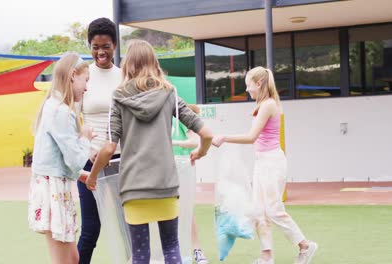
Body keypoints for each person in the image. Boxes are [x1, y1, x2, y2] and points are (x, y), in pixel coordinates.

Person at [85, 39, 213, 264]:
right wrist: (201, 151)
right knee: (172, 248)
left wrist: (93, 176)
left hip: (134, 187)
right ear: (153, 62)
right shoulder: (169, 93)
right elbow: (207, 134)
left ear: (127, 65)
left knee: (140, 255)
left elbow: (109, 147)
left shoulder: (119, 96)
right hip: (165, 184)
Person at [212, 66, 318, 264]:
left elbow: (251, 137)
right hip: (263, 162)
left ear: (258, 83)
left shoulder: (268, 104)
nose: (247, 90)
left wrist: (225, 137)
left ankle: (305, 245)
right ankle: (266, 255)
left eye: (248, 85)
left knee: (273, 210)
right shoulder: (264, 104)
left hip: (271, 163)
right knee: (258, 211)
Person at [28, 52, 95, 264]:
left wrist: (83, 175)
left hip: (55, 186)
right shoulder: (60, 111)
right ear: (73, 75)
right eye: (86, 80)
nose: (86, 87)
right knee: (63, 260)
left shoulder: (56, 107)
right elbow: (74, 158)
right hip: (53, 189)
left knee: (73, 258)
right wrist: (84, 138)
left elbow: (61, 159)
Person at [76, 17, 122, 264]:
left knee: (130, 224)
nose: (100, 52)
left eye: (106, 46)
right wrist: (86, 146)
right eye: (95, 46)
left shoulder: (124, 76)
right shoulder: (83, 76)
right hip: (88, 162)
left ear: (114, 45)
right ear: (89, 46)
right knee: (91, 229)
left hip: (119, 158)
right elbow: (73, 120)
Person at [172, 104, 210, 264]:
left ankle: (196, 250)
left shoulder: (177, 115)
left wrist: (172, 143)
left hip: (182, 166)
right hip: (160, 168)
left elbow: (195, 141)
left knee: (186, 209)